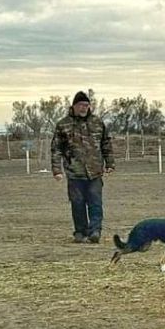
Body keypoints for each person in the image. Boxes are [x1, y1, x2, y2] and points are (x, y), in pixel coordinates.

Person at [52, 91, 114, 243]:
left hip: (95, 172)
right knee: (77, 203)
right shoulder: (63, 125)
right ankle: (80, 232)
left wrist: (110, 163)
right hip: (74, 172)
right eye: (81, 105)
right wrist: (57, 170)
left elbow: (106, 143)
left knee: (95, 203)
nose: (84, 108)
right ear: (73, 106)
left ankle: (95, 231)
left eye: (86, 105)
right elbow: (56, 148)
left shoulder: (97, 123)